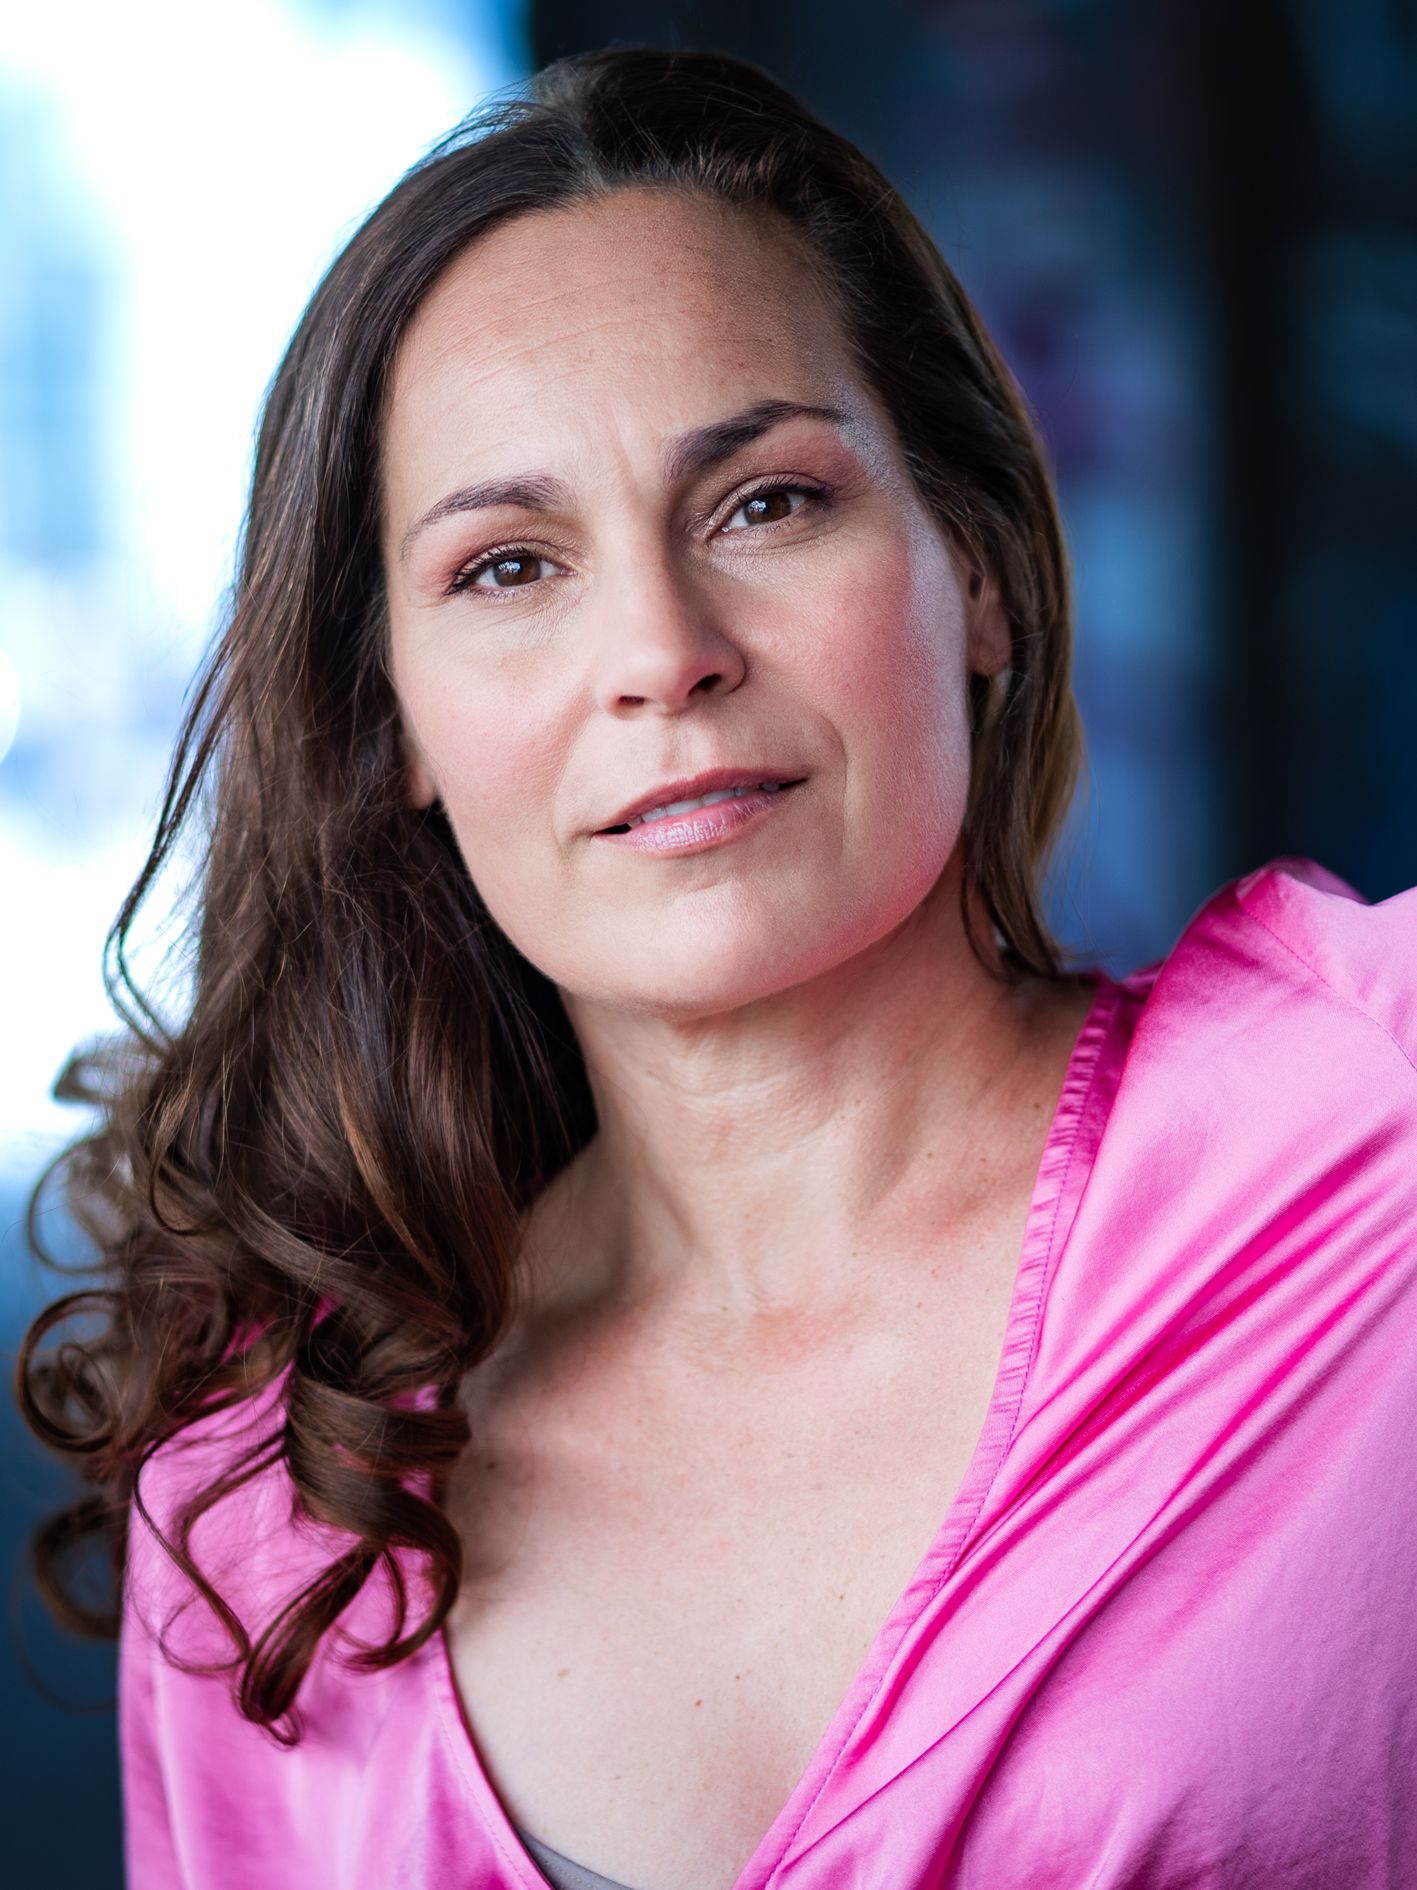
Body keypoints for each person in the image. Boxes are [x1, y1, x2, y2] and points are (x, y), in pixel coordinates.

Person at [16, 42, 1417, 1890]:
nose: (661, 651)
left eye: (767, 502)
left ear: (978, 571)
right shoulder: (269, 1508)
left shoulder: (1375, 1136)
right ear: (393, 724)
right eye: (509, 566)